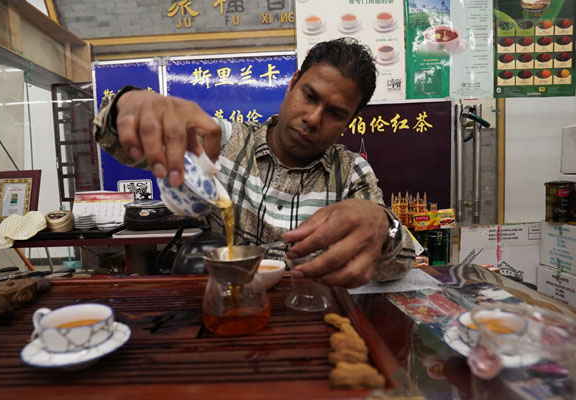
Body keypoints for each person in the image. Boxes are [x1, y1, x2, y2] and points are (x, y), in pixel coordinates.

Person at [94, 38, 415, 288]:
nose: (313, 118)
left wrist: (382, 226)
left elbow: (399, 263)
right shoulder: (223, 143)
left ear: (350, 122)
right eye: (310, 96)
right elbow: (117, 145)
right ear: (291, 84)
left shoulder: (351, 173)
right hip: (226, 309)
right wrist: (126, 106)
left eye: (335, 113)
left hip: (312, 323)